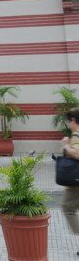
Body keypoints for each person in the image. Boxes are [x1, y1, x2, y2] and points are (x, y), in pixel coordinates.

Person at [61, 107, 79, 253]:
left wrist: (66, 145)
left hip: (76, 181)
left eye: (69, 121)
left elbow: (78, 154)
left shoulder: (76, 136)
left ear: (73, 120)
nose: (68, 124)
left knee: (67, 208)